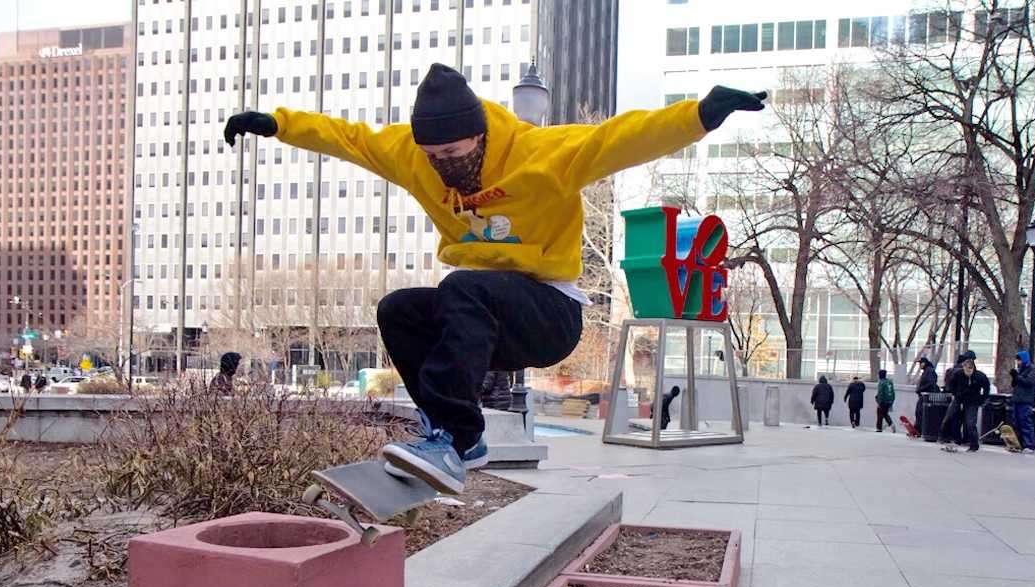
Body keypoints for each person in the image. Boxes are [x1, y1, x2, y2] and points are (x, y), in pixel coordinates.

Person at [224, 64, 767, 494]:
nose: (443, 169)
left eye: (455, 156)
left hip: (551, 316)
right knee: (399, 309)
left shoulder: (541, 154)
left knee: (461, 285)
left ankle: (455, 438)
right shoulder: (414, 157)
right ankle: (453, 436)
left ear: (481, 138)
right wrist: (279, 125)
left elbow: (620, 139)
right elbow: (353, 139)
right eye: (434, 158)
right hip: (484, 318)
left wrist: (699, 115)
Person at [940, 354, 990, 452]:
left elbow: (986, 389)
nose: (968, 373)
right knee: (950, 415)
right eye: (966, 370)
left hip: (972, 401)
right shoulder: (958, 374)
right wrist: (954, 393)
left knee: (970, 423)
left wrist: (981, 400)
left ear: (973, 369)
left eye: (970, 370)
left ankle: (974, 445)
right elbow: (951, 384)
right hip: (959, 398)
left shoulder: (980, 376)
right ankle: (943, 436)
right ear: (963, 368)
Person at [1009, 350, 1035, 452]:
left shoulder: (1033, 370)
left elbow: (1029, 382)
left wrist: (1017, 377)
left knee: (1025, 422)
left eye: (1019, 360)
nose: (1018, 362)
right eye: (1017, 360)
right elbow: (1015, 384)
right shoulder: (1020, 370)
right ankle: (1018, 444)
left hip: (1025, 399)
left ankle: (1029, 444)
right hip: (1017, 399)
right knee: (1016, 422)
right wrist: (1014, 377)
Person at [914, 357, 938, 433]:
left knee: (920, 412)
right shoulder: (926, 371)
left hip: (927, 396)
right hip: (923, 395)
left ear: (924, 363)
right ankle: (918, 428)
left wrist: (920, 389)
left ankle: (919, 429)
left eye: (920, 363)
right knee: (919, 412)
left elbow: (931, 383)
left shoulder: (929, 371)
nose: (919, 365)